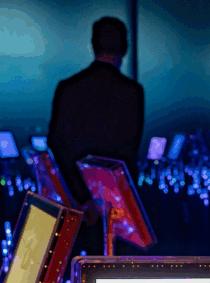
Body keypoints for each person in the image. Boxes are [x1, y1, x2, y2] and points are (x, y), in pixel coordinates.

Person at [48, 17, 145, 210]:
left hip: (77, 204)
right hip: (115, 203)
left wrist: (82, 197)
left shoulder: (67, 88)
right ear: (125, 49)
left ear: (93, 46)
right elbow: (128, 150)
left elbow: (56, 144)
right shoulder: (132, 92)